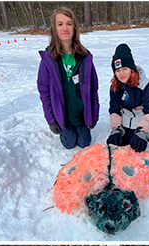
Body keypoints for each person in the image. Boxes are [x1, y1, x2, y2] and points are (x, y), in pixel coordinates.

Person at [37, 6, 99, 150]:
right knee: (69, 144)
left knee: (85, 143)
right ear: (54, 29)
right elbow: (44, 93)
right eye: (60, 24)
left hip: (82, 116)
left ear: (75, 28)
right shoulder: (48, 60)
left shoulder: (85, 57)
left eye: (69, 23)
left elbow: (93, 89)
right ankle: (67, 131)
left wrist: (93, 115)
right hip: (63, 117)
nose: (65, 28)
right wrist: (51, 120)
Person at [106, 43, 149, 153]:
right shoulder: (115, 87)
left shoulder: (144, 85)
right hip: (124, 121)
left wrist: (142, 131)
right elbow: (114, 110)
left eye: (124, 69)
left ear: (131, 69)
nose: (121, 74)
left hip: (140, 121)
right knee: (118, 145)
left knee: (135, 147)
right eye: (117, 71)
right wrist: (116, 128)